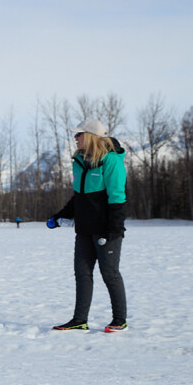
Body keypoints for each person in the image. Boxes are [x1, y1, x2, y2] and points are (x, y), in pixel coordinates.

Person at [48, 119, 128, 332]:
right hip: (83, 230)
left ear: (91, 136)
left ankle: (120, 320)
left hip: (106, 230)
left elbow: (117, 197)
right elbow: (78, 198)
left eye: (79, 134)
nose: (75, 138)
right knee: (82, 273)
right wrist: (59, 217)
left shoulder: (111, 161)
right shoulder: (79, 162)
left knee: (110, 274)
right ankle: (79, 320)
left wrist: (114, 229)